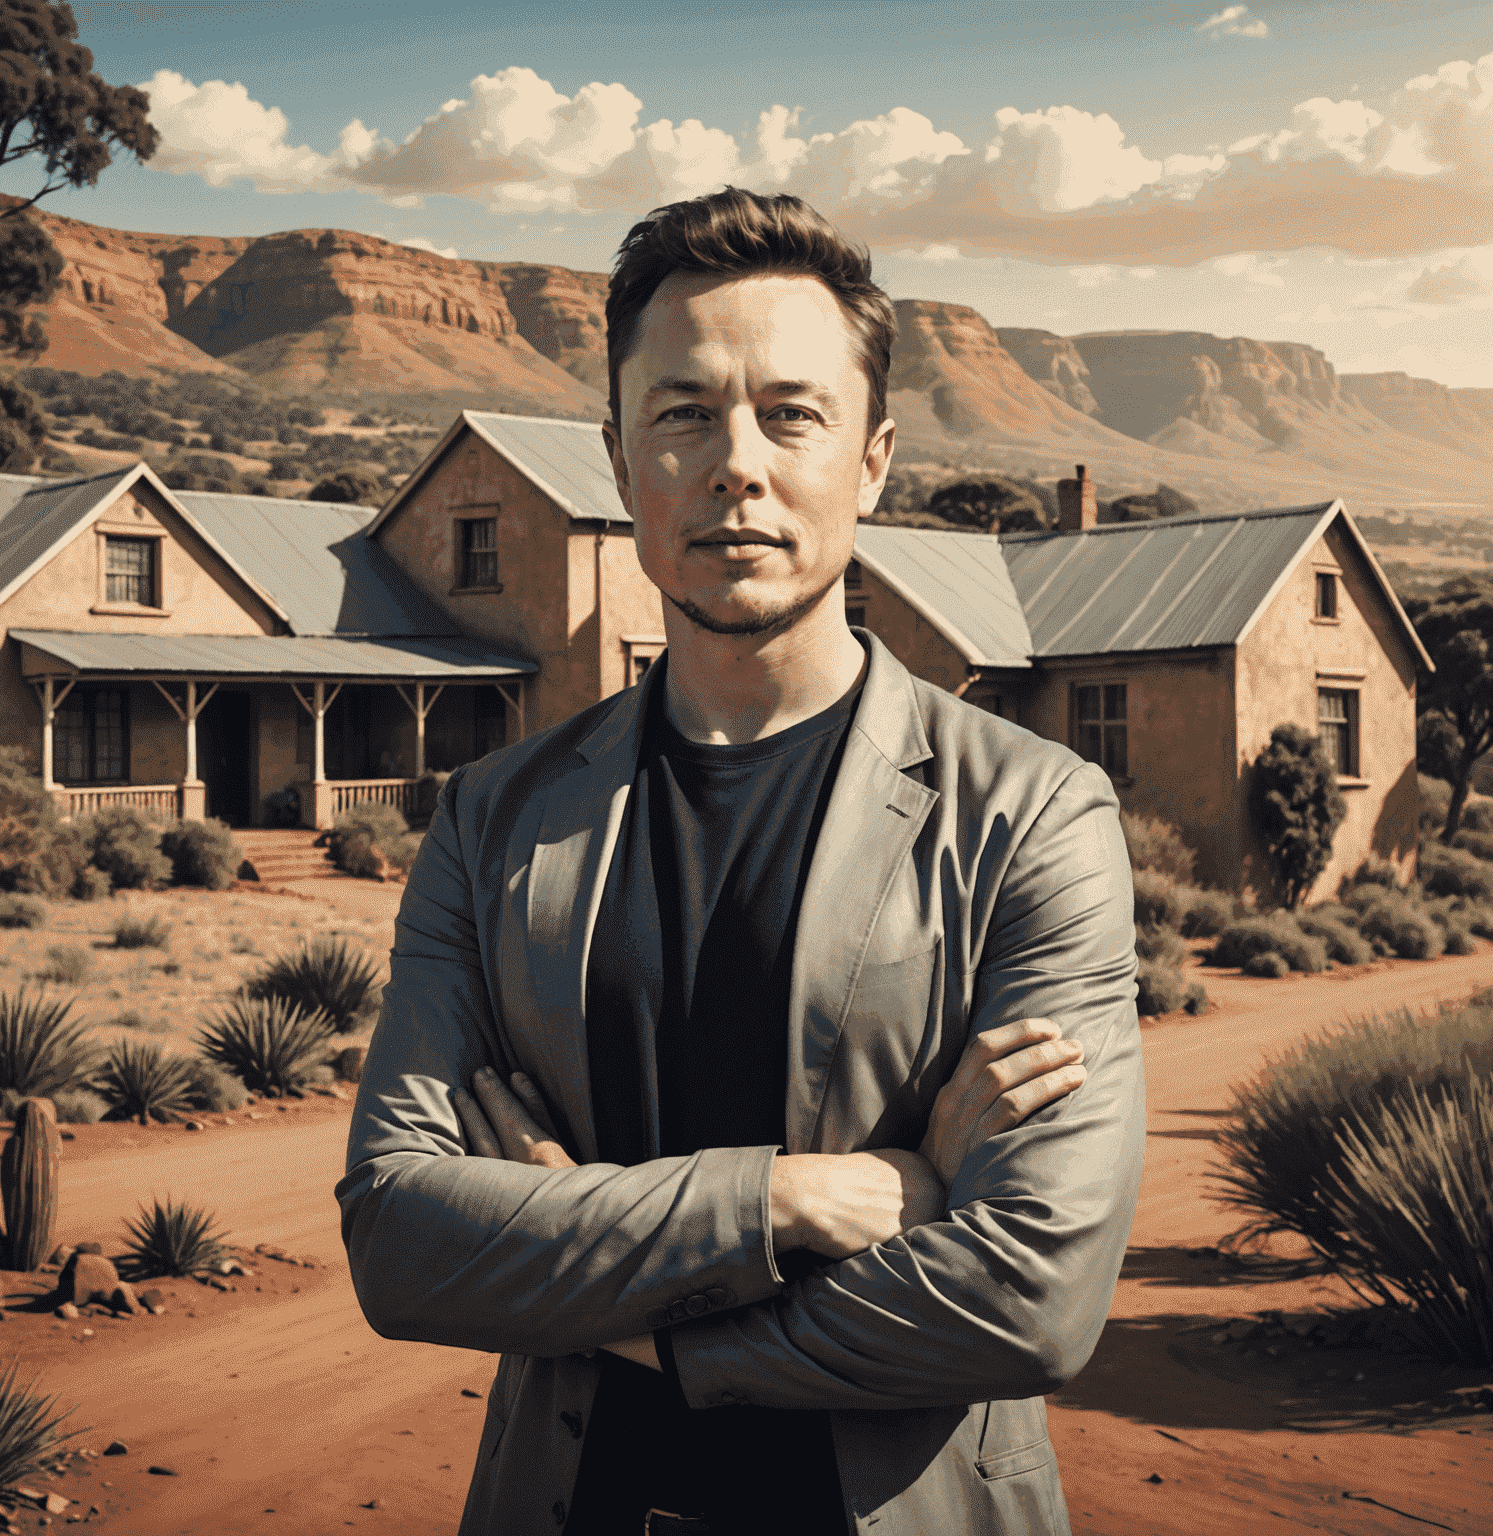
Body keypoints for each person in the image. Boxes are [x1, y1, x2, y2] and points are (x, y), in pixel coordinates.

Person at [335, 187, 1145, 1536]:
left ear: (872, 458)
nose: (737, 465)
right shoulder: (493, 819)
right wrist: (800, 1198)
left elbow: (1030, 1295)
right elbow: (403, 1242)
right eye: (683, 413)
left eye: (791, 412)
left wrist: (611, 1291)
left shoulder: (1032, 814)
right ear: (616, 454)